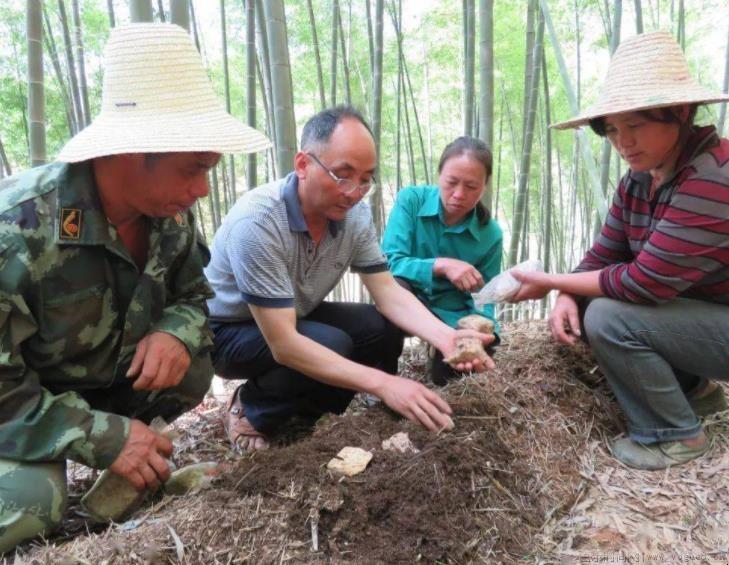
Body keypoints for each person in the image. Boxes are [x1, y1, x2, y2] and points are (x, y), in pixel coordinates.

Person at [0, 23, 270, 552]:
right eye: (193, 170)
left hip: (100, 382)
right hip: (25, 401)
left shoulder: (169, 214)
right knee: (34, 501)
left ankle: (124, 463)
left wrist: (174, 330)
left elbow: (195, 295)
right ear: (130, 151)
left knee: (191, 365)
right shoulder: (19, 231)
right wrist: (101, 437)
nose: (201, 190)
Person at [205, 106, 495, 451]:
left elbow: (388, 292)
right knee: (332, 343)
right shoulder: (258, 223)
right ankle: (250, 408)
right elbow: (283, 343)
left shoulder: (353, 216)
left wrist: (447, 337)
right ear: (302, 165)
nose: (354, 191)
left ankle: (309, 411)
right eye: (343, 175)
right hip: (227, 331)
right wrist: (384, 383)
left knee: (379, 327)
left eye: (366, 179)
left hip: (293, 312)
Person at [510, 31, 729, 470]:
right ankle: (695, 392)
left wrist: (550, 281)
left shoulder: (713, 177)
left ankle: (676, 436)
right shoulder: (639, 179)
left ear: (680, 112)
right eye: (611, 129)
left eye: (635, 125)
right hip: (704, 317)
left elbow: (644, 282)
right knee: (595, 297)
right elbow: (603, 256)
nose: (622, 142)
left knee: (611, 317)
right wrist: (569, 293)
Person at [382, 137, 502, 385]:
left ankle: (439, 366)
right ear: (439, 175)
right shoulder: (411, 201)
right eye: (451, 182)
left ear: (485, 185)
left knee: (456, 376)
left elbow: (486, 296)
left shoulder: (491, 234)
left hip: (453, 314)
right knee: (391, 289)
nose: (459, 194)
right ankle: (385, 378)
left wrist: (481, 334)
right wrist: (442, 265)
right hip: (408, 303)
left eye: (471, 186)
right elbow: (387, 263)